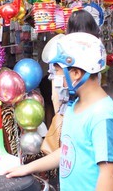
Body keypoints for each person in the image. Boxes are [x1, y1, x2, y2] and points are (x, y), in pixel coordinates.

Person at [6, 33, 113, 191]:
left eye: (57, 71)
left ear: (75, 73)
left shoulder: (103, 116)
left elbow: (109, 173)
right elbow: (68, 150)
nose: (53, 78)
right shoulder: (74, 108)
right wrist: (27, 168)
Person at [42, 9, 101, 154]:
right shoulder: (96, 52)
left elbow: (55, 95)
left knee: (68, 154)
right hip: (86, 109)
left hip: (67, 113)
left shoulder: (62, 52)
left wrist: (58, 118)